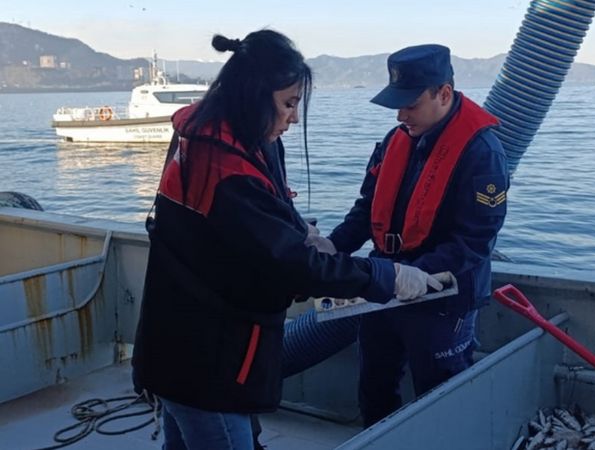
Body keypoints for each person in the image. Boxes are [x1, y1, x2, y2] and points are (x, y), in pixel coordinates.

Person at [131, 30, 442, 450]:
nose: (294, 117)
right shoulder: (227, 170)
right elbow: (292, 264)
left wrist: (299, 228)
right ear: (253, 95)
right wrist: (388, 276)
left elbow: (251, 224)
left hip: (178, 343)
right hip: (207, 365)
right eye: (289, 103)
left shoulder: (218, 136)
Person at [327, 44, 509, 427]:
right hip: (384, 286)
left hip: (442, 298)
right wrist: (331, 248)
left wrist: (414, 276)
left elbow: (475, 240)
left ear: (443, 94)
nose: (400, 114)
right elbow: (365, 209)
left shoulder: (482, 151)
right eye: (398, 103)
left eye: (410, 104)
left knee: (441, 396)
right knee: (375, 388)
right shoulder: (394, 140)